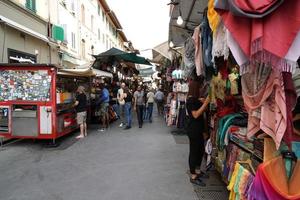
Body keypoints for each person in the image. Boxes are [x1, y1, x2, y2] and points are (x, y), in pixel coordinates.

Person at [185, 80, 210, 187]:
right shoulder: (190, 101)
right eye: (199, 88)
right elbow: (195, 114)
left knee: (200, 151)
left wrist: (202, 102)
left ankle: (198, 171)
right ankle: (193, 175)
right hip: (193, 130)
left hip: (199, 130)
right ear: (195, 89)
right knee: (194, 151)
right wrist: (205, 103)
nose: (201, 90)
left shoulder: (195, 100)